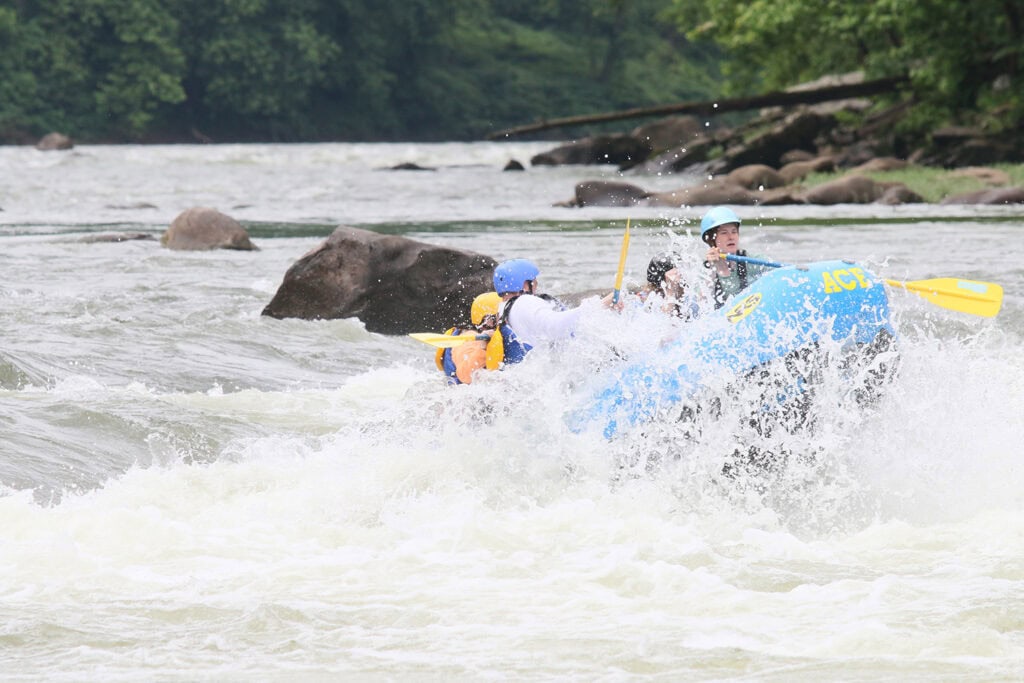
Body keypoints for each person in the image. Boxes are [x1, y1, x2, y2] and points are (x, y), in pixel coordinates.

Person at [492, 258, 619, 352]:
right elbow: (556, 326)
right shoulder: (524, 302)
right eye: (534, 281)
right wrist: (601, 304)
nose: (536, 285)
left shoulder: (504, 309)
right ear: (525, 285)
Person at [700, 206, 772, 309]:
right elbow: (702, 307)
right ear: (711, 239)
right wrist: (722, 271)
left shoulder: (752, 260)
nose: (731, 237)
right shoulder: (705, 270)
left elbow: (780, 274)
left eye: (734, 232)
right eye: (724, 233)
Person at [435, 292, 504, 385]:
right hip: (461, 394)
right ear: (487, 320)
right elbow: (465, 375)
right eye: (500, 317)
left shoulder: (501, 337)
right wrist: (482, 347)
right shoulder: (468, 338)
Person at [639, 254, 700, 320]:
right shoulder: (649, 298)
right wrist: (671, 289)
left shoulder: (689, 298)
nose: (678, 272)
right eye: (673, 269)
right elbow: (663, 323)